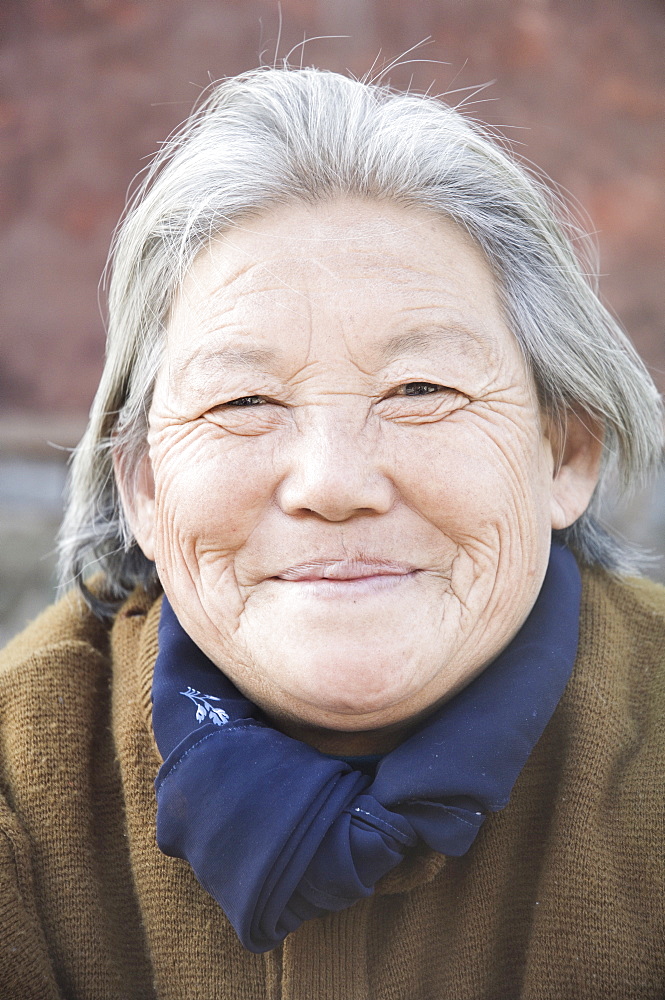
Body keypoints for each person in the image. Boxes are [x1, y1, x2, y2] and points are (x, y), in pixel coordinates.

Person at [1, 66, 663, 1000]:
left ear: (564, 452)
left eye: (421, 391)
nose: (333, 484)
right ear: (145, 486)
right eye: (243, 401)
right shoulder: (20, 790)